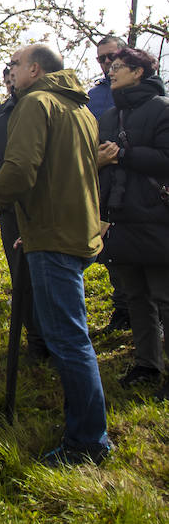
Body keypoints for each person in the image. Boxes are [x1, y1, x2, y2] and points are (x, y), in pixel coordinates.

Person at [0, 43, 111, 467]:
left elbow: (18, 170)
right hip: (68, 230)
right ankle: (84, 427)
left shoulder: (36, 103)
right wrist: (28, 232)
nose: (9, 72)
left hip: (54, 238)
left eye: (13, 65)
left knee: (69, 340)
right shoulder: (81, 110)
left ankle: (88, 442)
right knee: (72, 335)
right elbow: (66, 174)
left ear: (33, 69)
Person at [98, 47, 169, 393]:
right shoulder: (110, 116)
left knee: (164, 296)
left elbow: (166, 158)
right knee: (136, 296)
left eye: (119, 66)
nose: (111, 70)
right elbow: (98, 165)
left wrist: (122, 156)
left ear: (139, 71)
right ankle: (147, 365)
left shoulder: (162, 110)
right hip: (120, 218)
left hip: (156, 217)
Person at [0, 64, 49, 364]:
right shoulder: (2, 114)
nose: (11, 84)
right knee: (21, 275)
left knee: (46, 274)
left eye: (14, 78)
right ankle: (35, 340)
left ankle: (54, 339)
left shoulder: (42, 107)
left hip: (42, 205)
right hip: (10, 207)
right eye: (7, 80)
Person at [87, 33, 132, 334]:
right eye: (101, 58)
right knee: (111, 247)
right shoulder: (94, 95)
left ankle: (145, 314)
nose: (106, 64)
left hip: (135, 177)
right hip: (102, 177)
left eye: (110, 57)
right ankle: (122, 309)